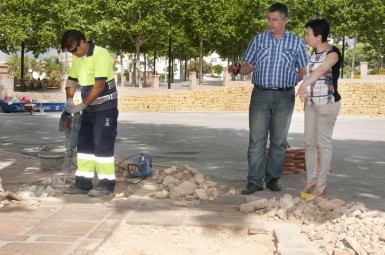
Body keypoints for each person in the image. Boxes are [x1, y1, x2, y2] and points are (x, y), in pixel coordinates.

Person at [228, 3, 308, 195]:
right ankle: (254, 181)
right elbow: (249, 67)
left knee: (279, 141)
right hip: (260, 95)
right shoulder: (258, 40)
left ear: (285, 20)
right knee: (256, 140)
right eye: (268, 19)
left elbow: (303, 70)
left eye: (274, 20)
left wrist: (289, 84)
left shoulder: (296, 42)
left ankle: (272, 178)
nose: (270, 23)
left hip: (285, 96)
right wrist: (239, 69)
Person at [61, 29, 119, 197]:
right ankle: (83, 184)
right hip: (88, 109)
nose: (73, 53)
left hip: (105, 108)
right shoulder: (77, 58)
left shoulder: (101, 54)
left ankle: (106, 184)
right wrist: (70, 100)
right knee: (84, 145)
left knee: (102, 144)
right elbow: (72, 80)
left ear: (82, 42)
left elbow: (99, 85)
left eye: (74, 49)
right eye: (70, 51)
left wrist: (82, 105)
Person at [296, 19, 342, 197]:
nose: (306, 37)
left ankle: (321, 186)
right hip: (312, 104)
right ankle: (310, 181)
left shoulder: (333, 53)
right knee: (309, 143)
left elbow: (323, 69)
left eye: (308, 34)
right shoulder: (312, 52)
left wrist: (304, 84)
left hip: (328, 104)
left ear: (319, 37)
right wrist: (306, 90)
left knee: (323, 144)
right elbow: (310, 72)